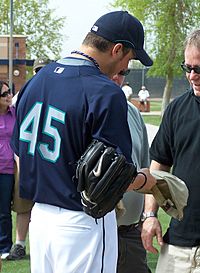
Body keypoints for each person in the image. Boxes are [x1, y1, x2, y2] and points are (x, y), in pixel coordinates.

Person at [11, 11, 156, 273]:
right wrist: (148, 180)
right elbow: (114, 175)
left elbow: (20, 154)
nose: (125, 68)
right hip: (82, 222)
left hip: (40, 222)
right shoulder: (104, 91)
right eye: (129, 59)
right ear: (117, 49)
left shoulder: (35, 83)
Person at [141, 29, 200, 273]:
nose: (193, 76)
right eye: (188, 68)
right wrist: (150, 215)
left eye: (199, 68)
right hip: (177, 243)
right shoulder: (177, 110)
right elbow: (159, 167)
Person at [7, 57, 52, 261]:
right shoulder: (22, 96)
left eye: (44, 69)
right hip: (27, 159)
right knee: (23, 203)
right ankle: (20, 243)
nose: (40, 73)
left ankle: (45, 243)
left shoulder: (57, 92)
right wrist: (19, 161)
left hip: (50, 159)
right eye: (38, 70)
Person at [113, 71, 151, 273]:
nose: (116, 77)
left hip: (130, 232)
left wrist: (148, 216)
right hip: (93, 234)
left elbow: (145, 167)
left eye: (122, 72)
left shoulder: (132, 112)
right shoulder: (81, 110)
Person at [0, 81, 15, 259]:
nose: (9, 96)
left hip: (10, 169)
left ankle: (5, 247)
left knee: (4, 211)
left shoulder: (15, 114)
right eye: (4, 94)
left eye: (9, 92)